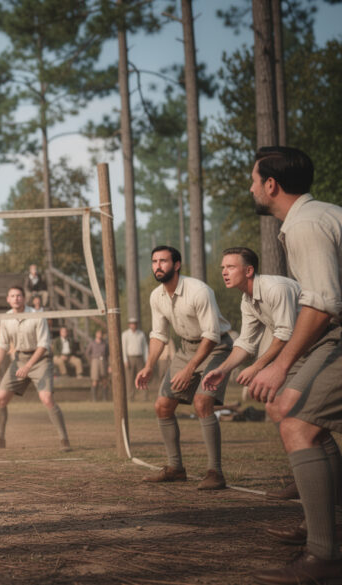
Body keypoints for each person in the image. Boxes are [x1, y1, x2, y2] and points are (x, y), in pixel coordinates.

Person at [241, 147, 342, 583]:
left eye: (253, 179)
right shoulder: (315, 216)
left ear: (271, 185)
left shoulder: (305, 225)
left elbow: (321, 305)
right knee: (295, 416)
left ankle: (323, 556)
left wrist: (281, 365)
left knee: (297, 426)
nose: (250, 187)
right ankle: (323, 525)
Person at [201, 247, 302, 500]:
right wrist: (222, 370)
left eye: (230, 267)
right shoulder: (247, 299)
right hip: (300, 349)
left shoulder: (274, 288)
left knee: (292, 410)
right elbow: (246, 342)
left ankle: (312, 480)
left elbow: (285, 334)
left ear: (249, 270)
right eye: (223, 267)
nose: (224, 272)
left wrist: (258, 367)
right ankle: (305, 479)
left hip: (324, 343)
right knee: (276, 407)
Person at [134, 245, 233, 490]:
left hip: (216, 347)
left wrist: (190, 369)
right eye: (154, 261)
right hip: (186, 347)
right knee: (162, 406)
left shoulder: (199, 291)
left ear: (176, 265)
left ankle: (215, 473)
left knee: (202, 403)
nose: (158, 266)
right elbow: (158, 335)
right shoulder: (156, 296)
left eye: (164, 261)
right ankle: (176, 468)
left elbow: (211, 335)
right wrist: (148, 366)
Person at [0, 286, 72, 452]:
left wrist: (28, 366)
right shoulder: (5, 318)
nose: (16, 298)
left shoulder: (37, 315)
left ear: (24, 298)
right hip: (19, 359)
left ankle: (64, 439)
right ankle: (0, 438)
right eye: (12, 296)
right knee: (0, 399)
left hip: (40, 359)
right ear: (8, 299)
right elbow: (2, 345)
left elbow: (44, 345)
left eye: (19, 295)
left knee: (46, 398)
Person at [122, 318, 148, 401]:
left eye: (135, 323)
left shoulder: (141, 334)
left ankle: (143, 396)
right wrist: (125, 360)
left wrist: (146, 359)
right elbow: (123, 348)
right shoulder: (125, 334)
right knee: (129, 378)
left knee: (142, 377)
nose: (133, 325)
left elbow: (145, 347)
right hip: (130, 358)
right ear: (129, 325)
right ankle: (130, 397)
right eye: (131, 323)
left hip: (140, 357)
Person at [85, 330, 109, 402]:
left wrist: (108, 364)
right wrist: (91, 361)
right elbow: (87, 353)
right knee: (95, 379)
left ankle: (105, 398)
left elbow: (108, 354)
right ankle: (94, 398)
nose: (100, 335)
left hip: (103, 361)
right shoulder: (92, 343)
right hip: (95, 361)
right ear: (96, 334)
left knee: (104, 379)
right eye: (98, 334)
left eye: (101, 334)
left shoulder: (105, 344)